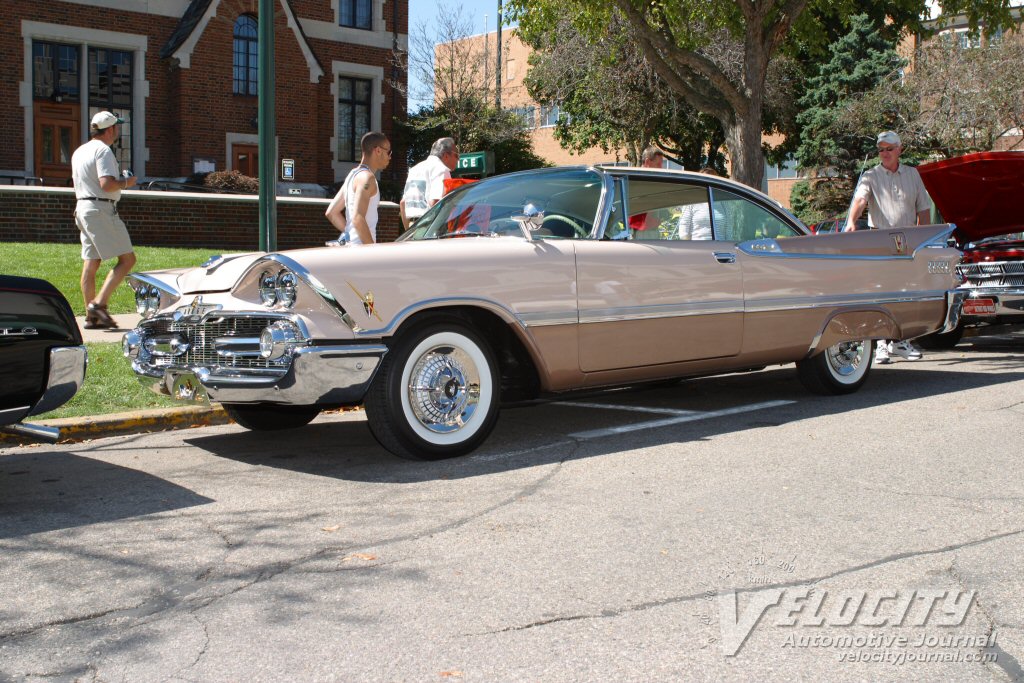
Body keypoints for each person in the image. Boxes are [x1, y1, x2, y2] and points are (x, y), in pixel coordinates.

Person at [845, 130, 932, 364]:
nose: (884, 153)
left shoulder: (913, 174)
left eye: (889, 149)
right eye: (881, 149)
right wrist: (852, 221)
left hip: (908, 242)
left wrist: (923, 238)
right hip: (881, 240)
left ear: (899, 149)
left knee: (905, 293)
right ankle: (881, 344)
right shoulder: (871, 176)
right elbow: (860, 200)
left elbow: (923, 209)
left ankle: (900, 341)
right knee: (882, 292)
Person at [72, 111, 138, 329]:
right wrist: (127, 182)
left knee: (91, 263)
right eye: (116, 126)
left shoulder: (80, 151)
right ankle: (98, 304)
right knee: (128, 260)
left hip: (83, 208)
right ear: (110, 129)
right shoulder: (103, 150)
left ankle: (92, 318)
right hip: (101, 209)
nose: (117, 130)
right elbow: (107, 184)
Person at [325, 131, 392, 245]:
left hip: (352, 248)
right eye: (389, 152)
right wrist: (372, 249)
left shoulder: (353, 175)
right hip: (362, 250)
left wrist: (350, 234)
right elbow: (357, 217)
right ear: (378, 151)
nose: (390, 157)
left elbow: (332, 213)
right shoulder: (367, 178)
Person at [399, 137, 459, 229]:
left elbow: (403, 203)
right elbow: (435, 202)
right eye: (457, 155)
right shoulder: (441, 169)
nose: (458, 159)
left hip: (413, 227)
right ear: (446, 155)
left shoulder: (414, 169)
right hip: (430, 226)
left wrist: (408, 231)